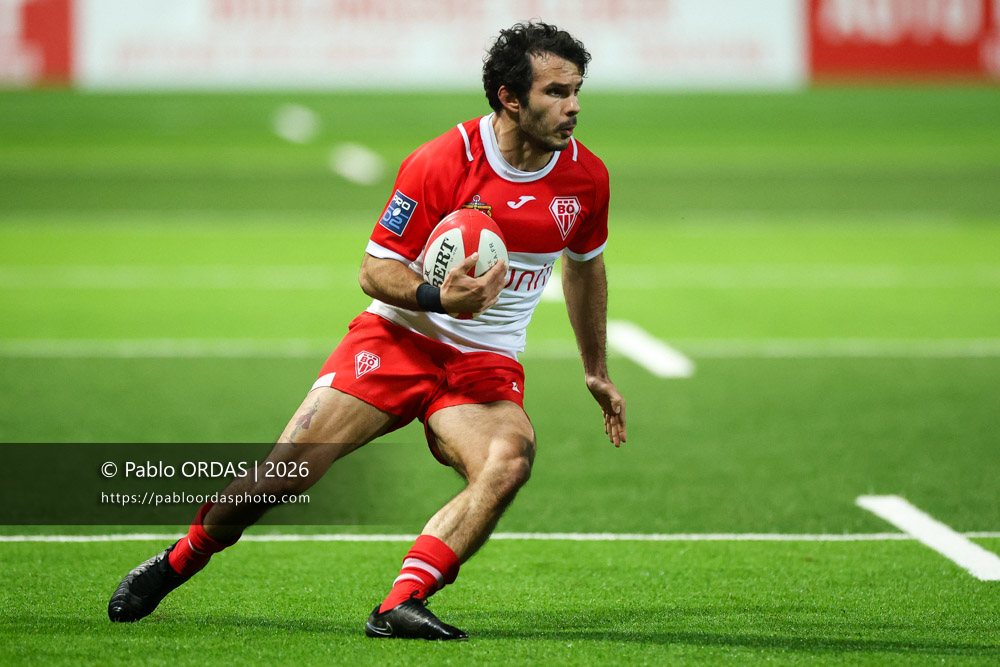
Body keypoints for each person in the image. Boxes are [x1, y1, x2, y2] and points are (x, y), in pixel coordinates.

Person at [107, 20, 626, 641]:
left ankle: (402, 601)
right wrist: (437, 295)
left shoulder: (586, 177)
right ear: (509, 98)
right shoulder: (443, 161)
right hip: (398, 340)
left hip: (484, 364)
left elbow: (585, 268)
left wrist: (594, 368)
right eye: (555, 92)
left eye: (576, 92)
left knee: (508, 459)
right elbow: (374, 269)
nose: (572, 107)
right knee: (285, 475)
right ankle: (180, 559)